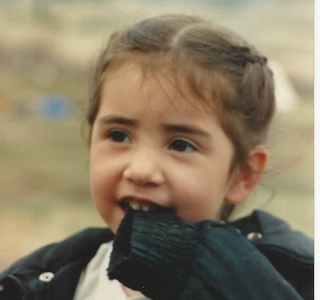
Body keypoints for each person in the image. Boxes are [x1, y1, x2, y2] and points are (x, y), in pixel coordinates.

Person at [0, 14, 313, 300]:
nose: (141, 170)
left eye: (180, 145)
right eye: (119, 135)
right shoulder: (42, 284)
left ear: (242, 175)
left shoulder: (282, 284)